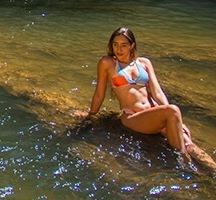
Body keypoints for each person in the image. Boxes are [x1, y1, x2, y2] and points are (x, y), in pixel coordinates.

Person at [77, 27, 193, 156]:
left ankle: (212, 169)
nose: (118, 49)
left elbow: (158, 92)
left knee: (189, 144)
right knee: (173, 110)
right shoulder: (107, 63)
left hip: (153, 113)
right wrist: (91, 115)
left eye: (124, 45)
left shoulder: (144, 63)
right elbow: (99, 93)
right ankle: (182, 161)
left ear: (132, 45)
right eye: (115, 45)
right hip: (133, 116)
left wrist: (177, 121)